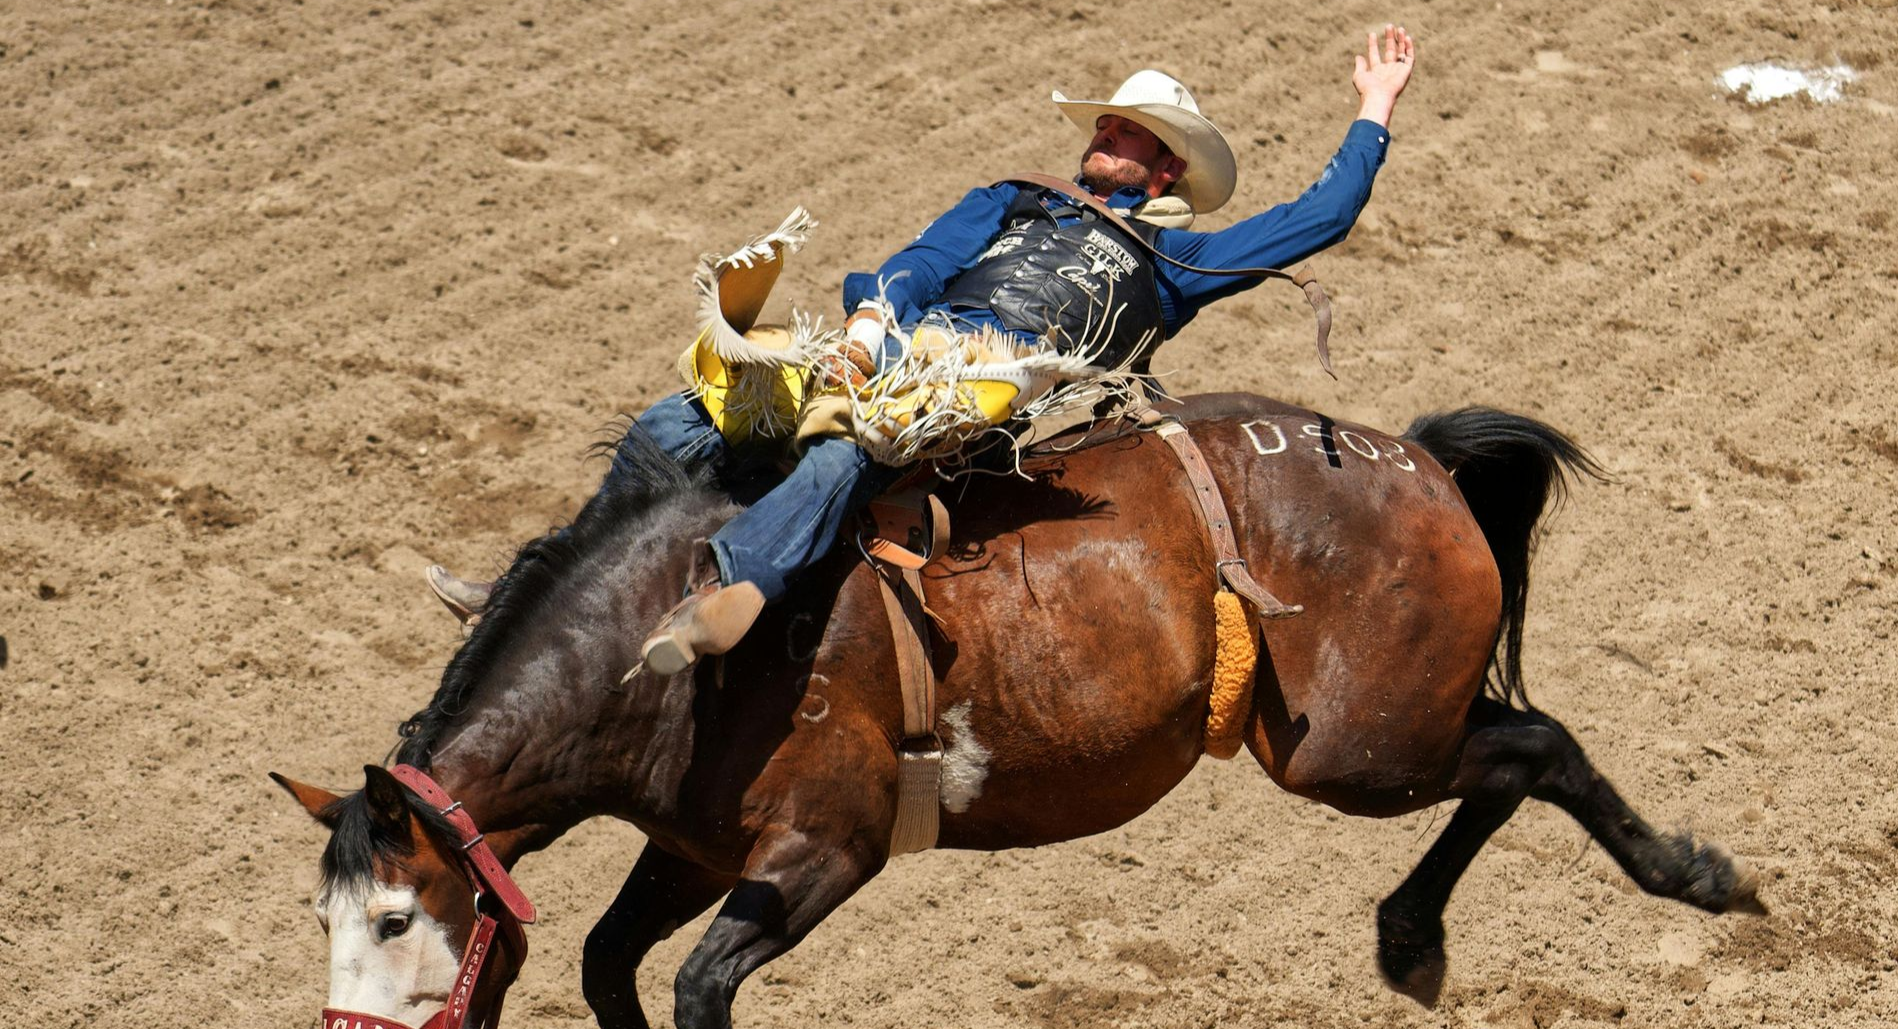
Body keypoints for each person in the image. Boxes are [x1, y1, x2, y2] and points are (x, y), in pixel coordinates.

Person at [430, 26, 1419, 675]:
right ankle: (533, 587)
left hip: (983, 400)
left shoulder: (1175, 261)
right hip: (898, 348)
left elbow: (1321, 213)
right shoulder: (1013, 199)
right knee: (677, 420)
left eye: (1128, 129)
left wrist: (1373, 106)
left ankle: (735, 584)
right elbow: (921, 260)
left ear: (1165, 165)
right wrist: (872, 326)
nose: (1106, 132)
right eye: (1110, 121)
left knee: (849, 450)